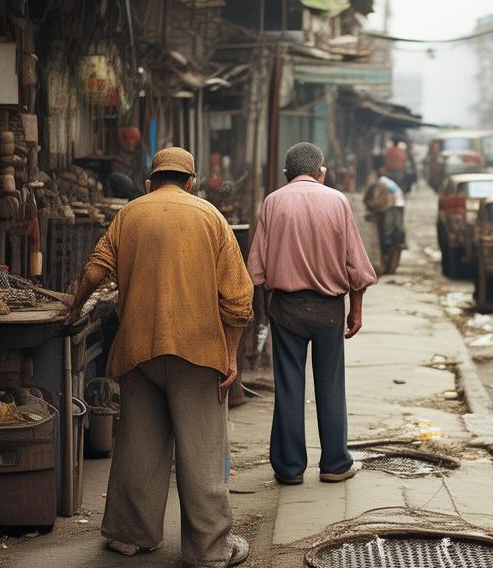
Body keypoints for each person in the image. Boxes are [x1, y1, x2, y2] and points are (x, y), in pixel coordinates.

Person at [65, 147, 254, 565]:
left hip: (139, 351)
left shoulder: (129, 214)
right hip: (198, 352)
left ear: (150, 182)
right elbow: (239, 299)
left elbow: (95, 272)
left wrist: (73, 306)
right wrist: (232, 354)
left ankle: (129, 536)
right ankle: (209, 550)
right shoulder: (211, 218)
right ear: (192, 182)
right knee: (203, 453)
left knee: (137, 445)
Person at [247, 142, 377, 485]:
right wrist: (356, 311)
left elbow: (256, 271)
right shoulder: (337, 200)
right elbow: (357, 266)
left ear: (288, 174)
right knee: (330, 385)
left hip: (286, 308)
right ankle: (334, 464)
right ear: (321, 171)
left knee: (289, 386)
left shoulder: (273, 202)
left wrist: (265, 311)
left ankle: (289, 469)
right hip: (328, 309)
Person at [364, 163, 405, 275]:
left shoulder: (381, 184)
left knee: (388, 237)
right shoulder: (386, 183)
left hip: (392, 209)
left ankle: (387, 266)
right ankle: (389, 266)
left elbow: (382, 201)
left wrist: (373, 206)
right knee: (393, 237)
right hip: (396, 208)